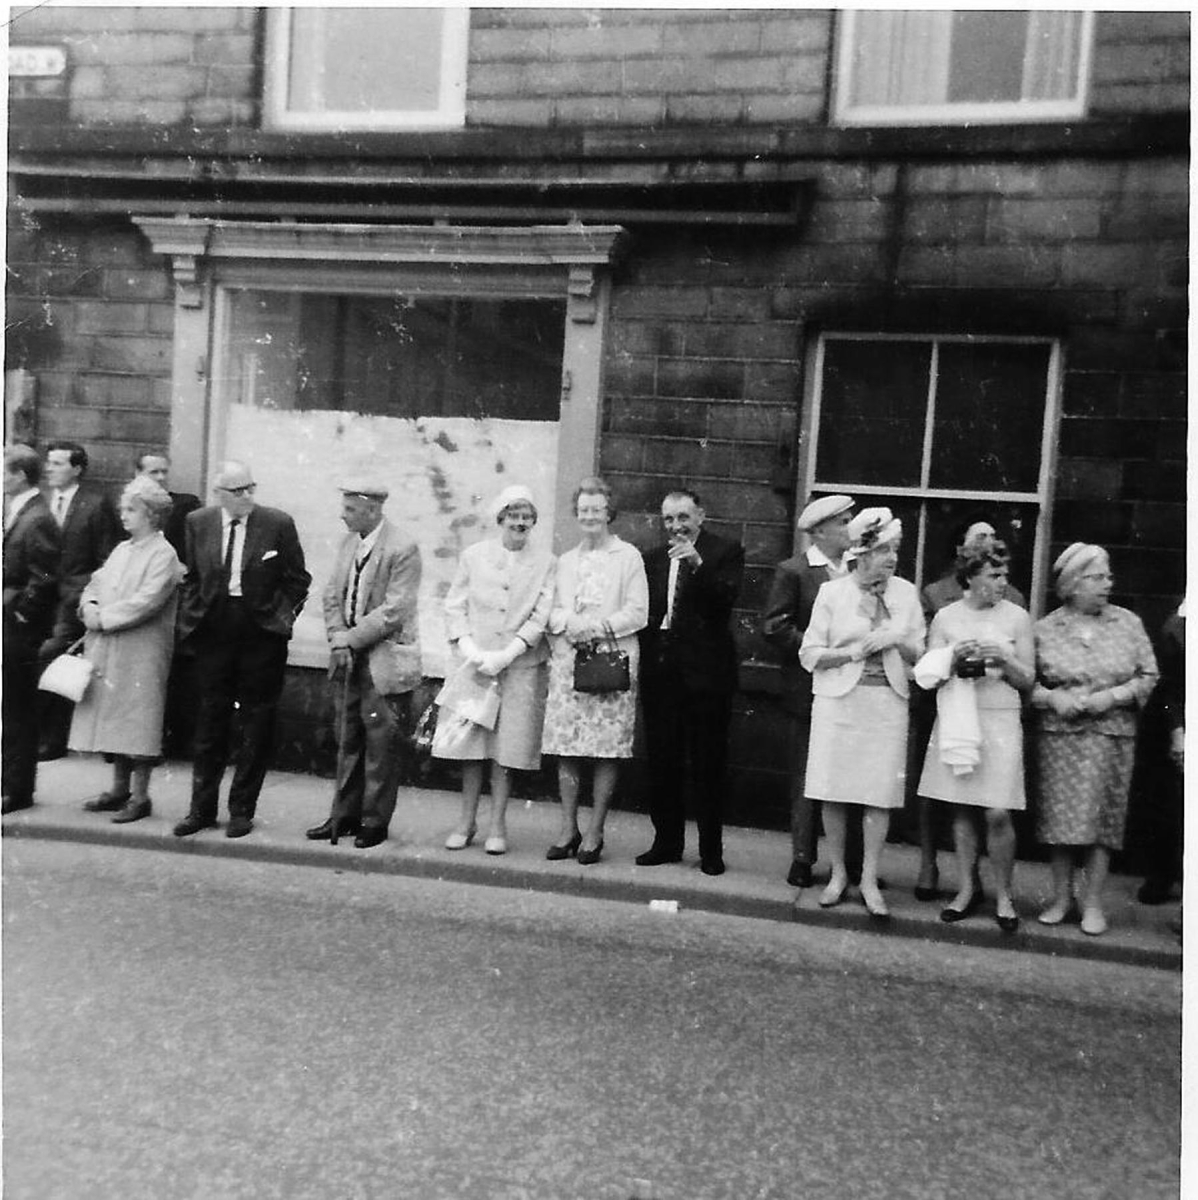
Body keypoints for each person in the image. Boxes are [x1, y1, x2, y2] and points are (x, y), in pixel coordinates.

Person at [173, 460, 310, 839]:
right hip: (214, 629)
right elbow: (192, 577)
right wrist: (193, 616)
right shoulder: (198, 522)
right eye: (238, 491)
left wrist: (281, 620)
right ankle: (200, 810)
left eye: (251, 487)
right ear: (219, 495)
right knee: (210, 722)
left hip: (260, 634)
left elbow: (299, 581)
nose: (247, 496)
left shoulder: (276, 523)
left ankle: (241, 810)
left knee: (256, 724)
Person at [800, 507, 925, 918]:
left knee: (877, 793)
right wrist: (852, 651)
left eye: (895, 550)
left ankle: (869, 877)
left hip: (887, 702)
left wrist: (895, 640)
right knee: (833, 789)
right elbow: (810, 653)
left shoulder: (905, 594)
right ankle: (838, 874)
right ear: (861, 553)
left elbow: (921, 654)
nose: (891, 559)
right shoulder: (833, 593)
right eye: (883, 550)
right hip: (839, 702)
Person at [1032, 543, 1157, 936]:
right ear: (1073, 584)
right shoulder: (1046, 628)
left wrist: (1113, 696)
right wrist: (1053, 697)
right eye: (1097, 577)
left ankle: (1093, 903)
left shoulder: (1128, 624)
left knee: (1102, 820)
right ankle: (1061, 898)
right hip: (1061, 733)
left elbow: (1148, 675)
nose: (1107, 585)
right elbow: (1026, 683)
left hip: (1110, 733)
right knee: (1060, 818)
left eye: (1108, 577)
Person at [914, 540, 1034, 932]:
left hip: (1000, 717)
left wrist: (1004, 659)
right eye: (994, 575)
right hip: (959, 718)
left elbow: (1028, 678)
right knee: (962, 806)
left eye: (1004, 575)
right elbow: (928, 672)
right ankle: (967, 888)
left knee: (998, 810)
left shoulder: (1017, 617)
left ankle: (1004, 894)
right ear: (970, 577)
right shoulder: (947, 617)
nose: (1003, 582)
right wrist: (953, 656)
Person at [437, 485, 555, 855]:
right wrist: (471, 649)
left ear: (533, 522)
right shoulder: (474, 556)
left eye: (526, 516)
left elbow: (542, 614)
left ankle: (498, 824)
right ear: (500, 519)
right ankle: (466, 821)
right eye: (512, 515)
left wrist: (509, 652)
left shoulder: (547, 562)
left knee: (505, 750)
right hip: (475, 667)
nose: (519, 522)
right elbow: (454, 606)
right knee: (472, 748)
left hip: (518, 667)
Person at [305, 481, 421, 850]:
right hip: (348, 658)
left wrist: (351, 639)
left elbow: (395, 609)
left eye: (351, 509)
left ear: (373, 510)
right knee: (348, 736)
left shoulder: (403, 548)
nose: (343, 514)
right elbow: (329, 595)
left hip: (383, 661)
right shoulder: (348, 543)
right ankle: (344, 815)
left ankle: (374, 820)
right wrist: (338, 637)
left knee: (380, 743)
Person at [636, 489, 744, 876]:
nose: (676, 526)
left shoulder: (725, 551)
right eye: (669, 519)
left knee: (708, 765)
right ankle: (666, 842)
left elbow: (725, 601)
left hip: (707, 676)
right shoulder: (652, 558)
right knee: (663, 761)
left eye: (683, 517)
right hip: (662, 671)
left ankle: (710, 851)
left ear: (700, 515)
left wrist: (698, 564)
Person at [541, 477, 648, 865]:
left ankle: (596, 830)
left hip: (611, 663)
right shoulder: (565, 561)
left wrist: (599, 628)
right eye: (583, 509)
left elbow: (638, 612)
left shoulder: (628, 557)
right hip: (570, 662)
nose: (589, 516)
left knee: (606, 751)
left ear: (609, 513)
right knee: (567, 749)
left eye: (596, 509)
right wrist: (570, 622)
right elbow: (551, 610)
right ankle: (568, 828)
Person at [761, 493, 866, 889]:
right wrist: (818, 650)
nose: (849, 528)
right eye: (842, 522)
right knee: (808, 775)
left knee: (853, 777)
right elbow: (774, 625)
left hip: (853, 689)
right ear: (820, 530)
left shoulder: (859, 568)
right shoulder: (796, 571)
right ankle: (803, 857)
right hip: (809, 689)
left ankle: (852, 862)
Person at [72, 478, 183, 824]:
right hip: (110, 646)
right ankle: (119, 788)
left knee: (138, 719)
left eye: (131, 509)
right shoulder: (123, 550)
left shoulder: (164, 554)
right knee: (115, 716)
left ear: (151, 513)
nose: (124, 515)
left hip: (142, 649)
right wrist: (88, 605)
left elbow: (147, 601)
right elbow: (96, 582)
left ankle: (140, 795)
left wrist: (102, 618)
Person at [37, 440, 122, 760]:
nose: (50, 469)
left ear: (77, 469)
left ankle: (52, 737)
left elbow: (106, 560)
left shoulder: (95, 504)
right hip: (40, 598)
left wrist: (83, 593)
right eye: (49, 463)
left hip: (73, 600)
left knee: (51, 654)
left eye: (58, 464)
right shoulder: (41, 502)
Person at [2, 445, 61, 814]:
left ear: (21, 475)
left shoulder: (37, 517)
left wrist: (22, 612)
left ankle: (17, 789)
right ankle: (10, 781)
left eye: (4, 472)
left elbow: (46, 575)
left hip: (21, 630)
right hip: (12, 625)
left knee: (18, 708)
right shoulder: (23, 511)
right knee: (10, 707)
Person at [1137, 598, 1185, 906]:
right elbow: (1172, 688)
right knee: (1171, 807)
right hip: (1177, 720)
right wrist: (1178, 732)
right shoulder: (1180, 625)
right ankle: (1164, 875)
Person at [135, 452, 201, 557]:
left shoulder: (186, 505)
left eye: (164, 472)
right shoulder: (128, 509)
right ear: (138, 474)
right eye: (154, 472)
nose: (161, 477)